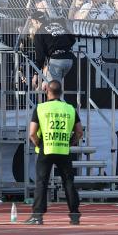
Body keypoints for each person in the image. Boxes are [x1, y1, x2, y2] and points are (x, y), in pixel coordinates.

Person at [25, 80, 82, 225]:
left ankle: (38, 216)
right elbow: (79, 132)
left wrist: (40, 144)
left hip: (47, 148)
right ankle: (74, 214)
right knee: (68, 182)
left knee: (41, 182)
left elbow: (32, 133)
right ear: (61, 92)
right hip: (63, 149)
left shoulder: (40, 108)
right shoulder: (70, 108)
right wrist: (70, 142)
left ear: (47, 92)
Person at [30, 11, 76, 93]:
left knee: (53, 91)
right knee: (53, 85)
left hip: (56, 62)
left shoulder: (40, 32)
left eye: (32, 22)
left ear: (36, 21)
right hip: (70, 60)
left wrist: (35, 74)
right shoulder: (57, 25)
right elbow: (72, 39)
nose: (33, 25)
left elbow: (40, 57)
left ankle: (54, 103)